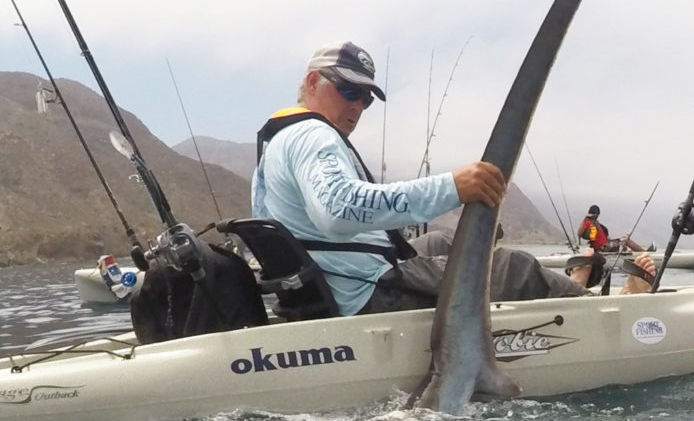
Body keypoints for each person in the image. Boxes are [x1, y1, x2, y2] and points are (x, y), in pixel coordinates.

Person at [252, 41, 653, 316]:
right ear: (311, 83)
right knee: (509, 267)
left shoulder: (279, 140)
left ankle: (568, 286)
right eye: (348, 91)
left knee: (446, 241)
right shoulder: (314, 134)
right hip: (361, 290)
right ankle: (608, 311)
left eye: (367, 98)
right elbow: (338, 211)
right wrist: (452, 187)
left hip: (336, 274)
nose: (358, 106)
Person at [577, 204, 644, 253]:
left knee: (625, 238)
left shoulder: (596, 223)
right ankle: (644, 253)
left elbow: (605, 237)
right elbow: (579, 233)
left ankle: (639, 252)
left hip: (607, 244)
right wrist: (585, 218)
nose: (596, 216)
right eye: (596, 214)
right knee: (626, 241)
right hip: (603, 248)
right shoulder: (587, 221)